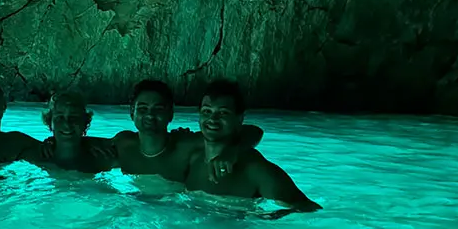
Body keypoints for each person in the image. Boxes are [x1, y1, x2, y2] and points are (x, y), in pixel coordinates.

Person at [185, 80, 321, 217]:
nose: (212, 119)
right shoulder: (191, 159)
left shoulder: (256, 171)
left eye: (223, 113)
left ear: (240, 119)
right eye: (206, 111)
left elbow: (309, 211)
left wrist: (267, 218)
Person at [109, 79, 264, 183]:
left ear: (170, 113)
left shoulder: (186, 145)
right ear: (131, 112)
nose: (150, 115)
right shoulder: (123, 144)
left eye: (158, 109)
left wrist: (230, 152)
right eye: (143, 109)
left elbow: (253, 132)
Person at [29, 92, 117, 174]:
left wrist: (89, 141)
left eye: (74, 117)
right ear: (50, 122)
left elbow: (126, 138)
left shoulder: (104, 159)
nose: (67, 124)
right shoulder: (35, 158)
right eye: (59, 117)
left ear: (85, 123)